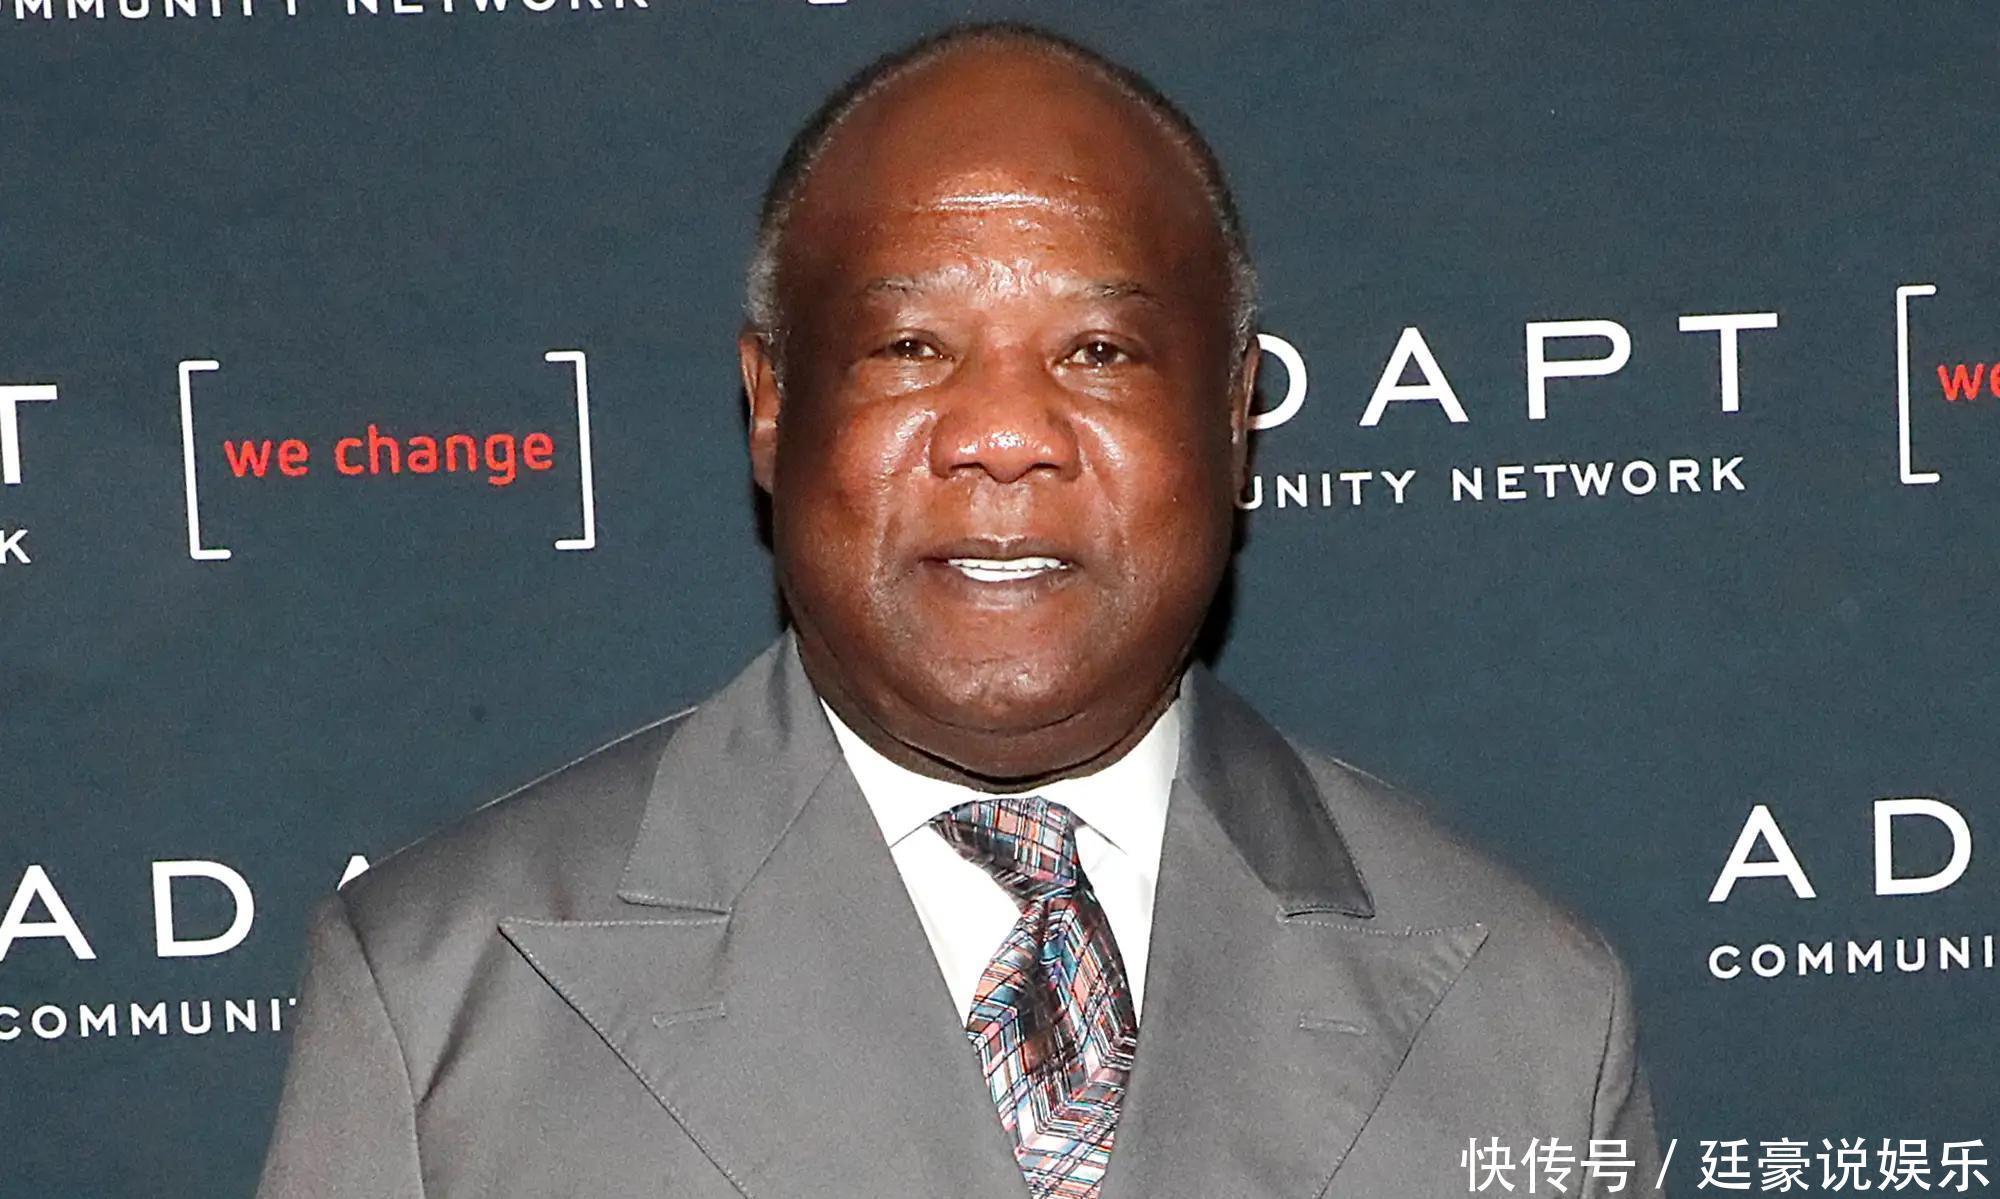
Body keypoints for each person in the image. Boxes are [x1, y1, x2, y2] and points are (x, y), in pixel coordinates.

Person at [255, 21, 1662, 1199]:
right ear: (772, 406)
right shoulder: (438, 998)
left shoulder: (1532, 1015)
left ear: (1236, 415)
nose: (1002, 435)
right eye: (913, 345)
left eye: (1098, 350)